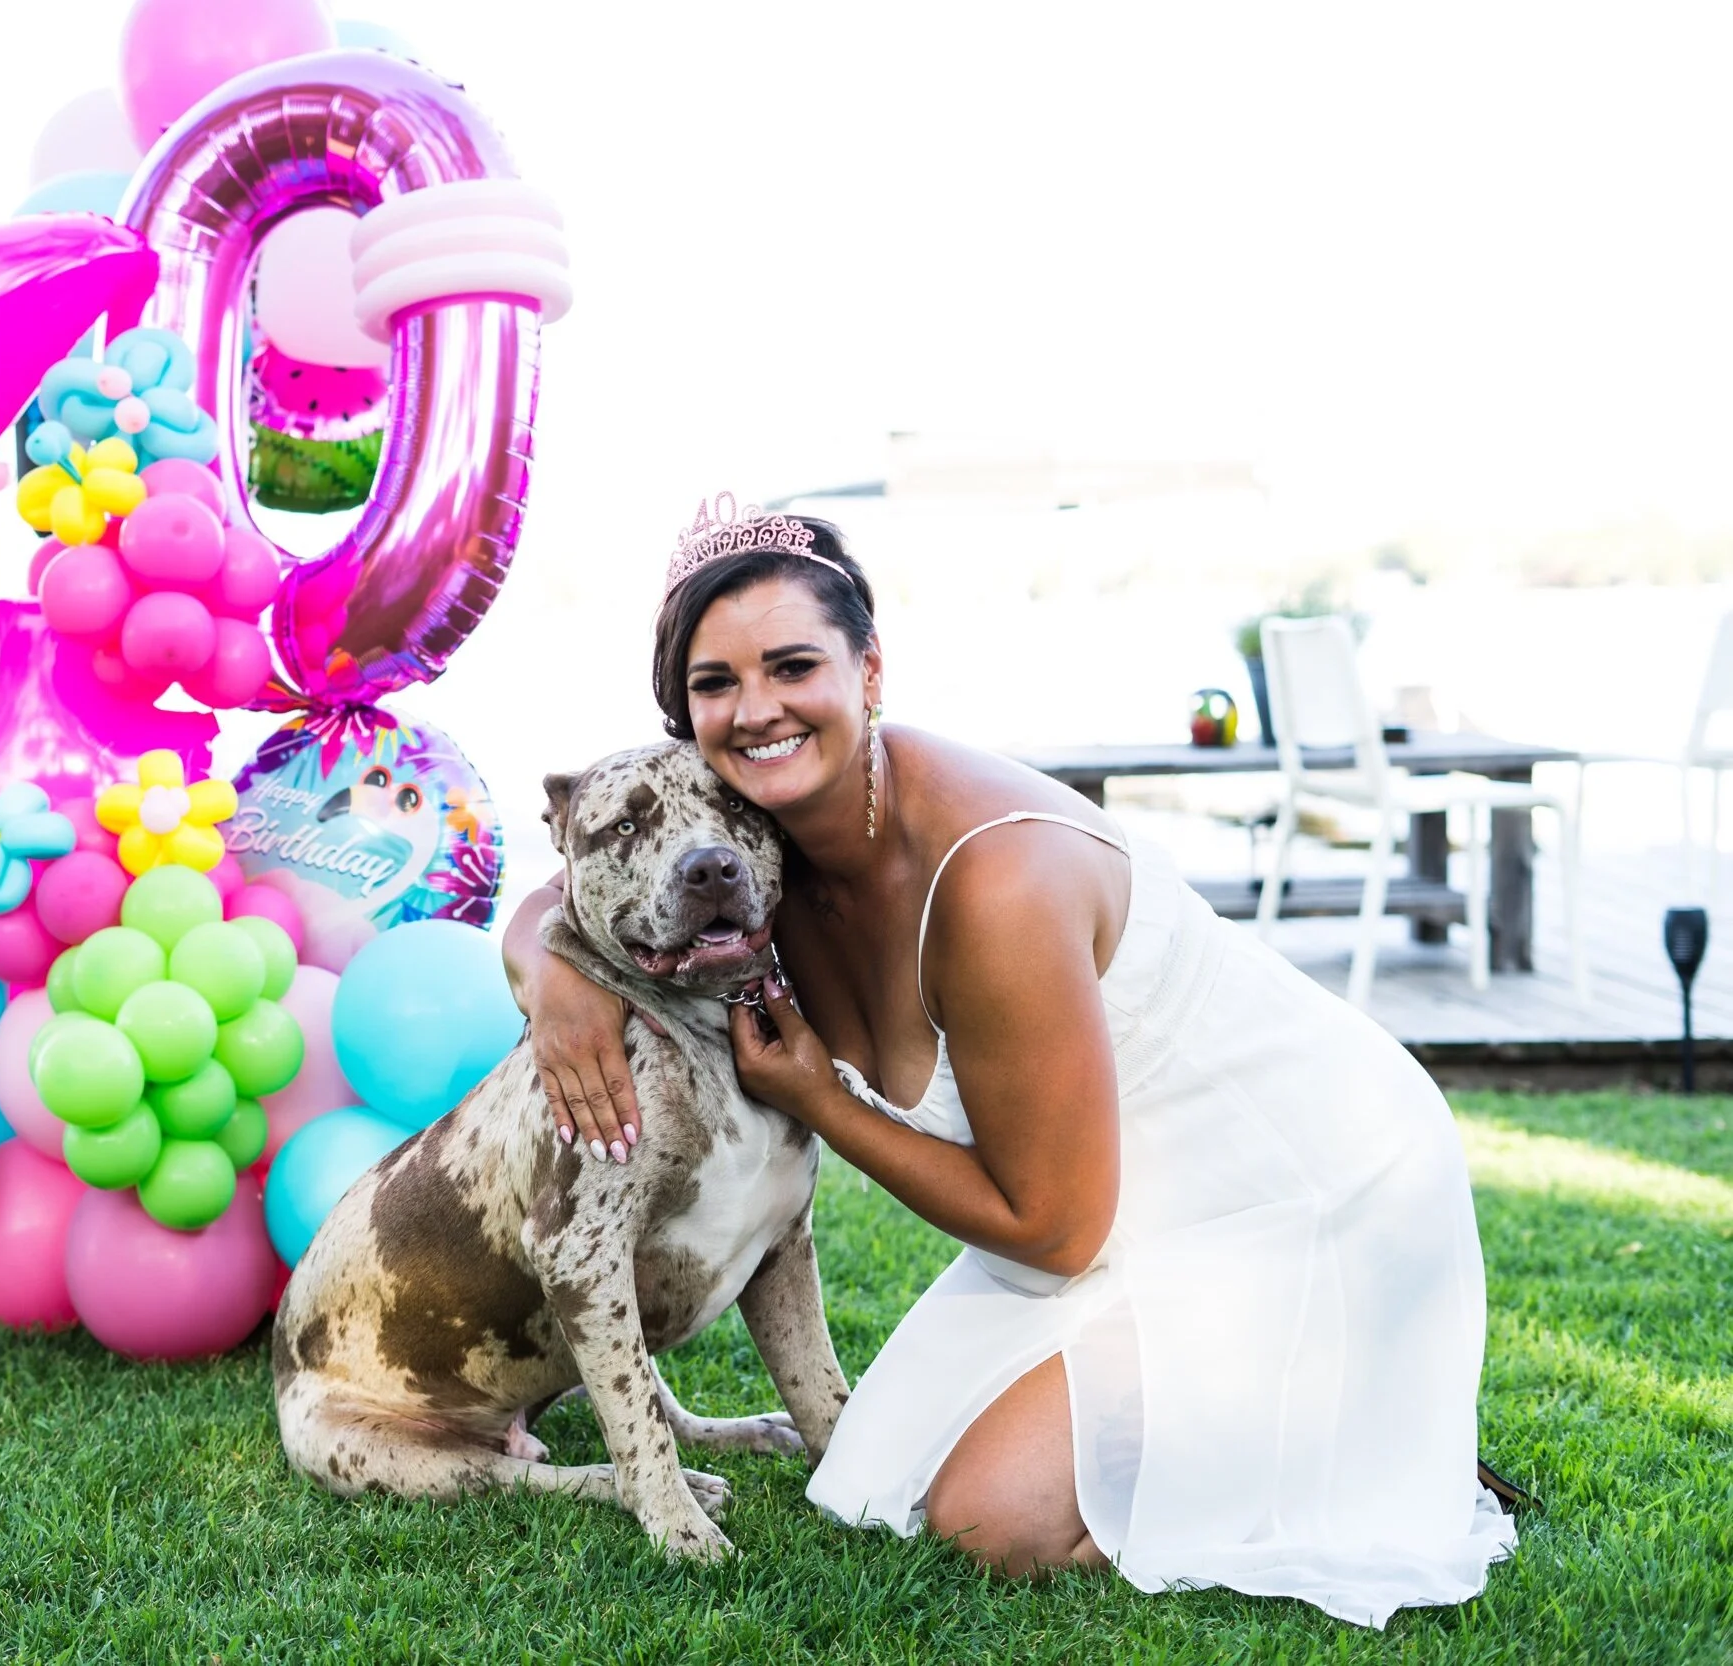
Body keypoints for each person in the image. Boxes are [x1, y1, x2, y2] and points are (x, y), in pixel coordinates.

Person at [500, 501, 1516, 1627]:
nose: (755, 711)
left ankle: (1331, 1426)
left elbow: (1052, 1228)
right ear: (683, 716)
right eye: (715, 685)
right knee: (872, 1478)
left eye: (793, 666)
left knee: (990, 1518)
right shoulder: (747, 838)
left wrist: (817, 1102)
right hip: (1117, 1205)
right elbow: (574, 871)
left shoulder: (997, 883)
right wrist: (543, 971)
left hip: (1298, 1183)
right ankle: (1255, 1423)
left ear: (869, 666)